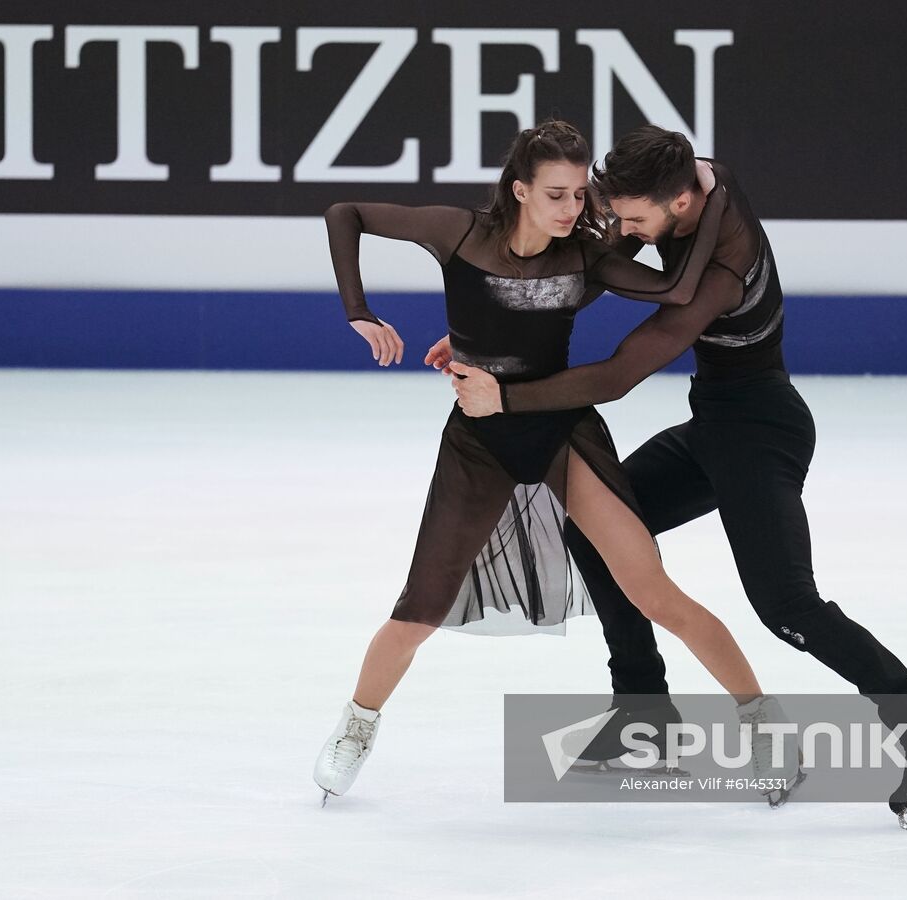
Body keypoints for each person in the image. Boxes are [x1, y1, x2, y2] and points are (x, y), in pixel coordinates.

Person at [447, 125, 907, 827]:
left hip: (759, 428)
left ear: (680, 204)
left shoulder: (721, 269)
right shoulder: (692, 182)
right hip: (715, 423)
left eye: (634, 218)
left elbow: (620, 373)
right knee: (594, 532)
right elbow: (596, 264)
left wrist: (508, 395)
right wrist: (498, 328)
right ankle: (642, 714)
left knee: (788, 606)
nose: (621, 229)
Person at [312, 121, 798, 805]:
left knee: (652, 591)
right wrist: (360, 312)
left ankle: (765, 729)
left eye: (580, 196)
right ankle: (356, 727)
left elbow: (680, 291)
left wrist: (717, 197)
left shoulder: (589, 257)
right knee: (419, 610)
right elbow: (347, 214)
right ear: (520, 191)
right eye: (558, 195)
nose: (575, 211)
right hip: (480, 439)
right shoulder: (458, 233)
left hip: (564, 432)